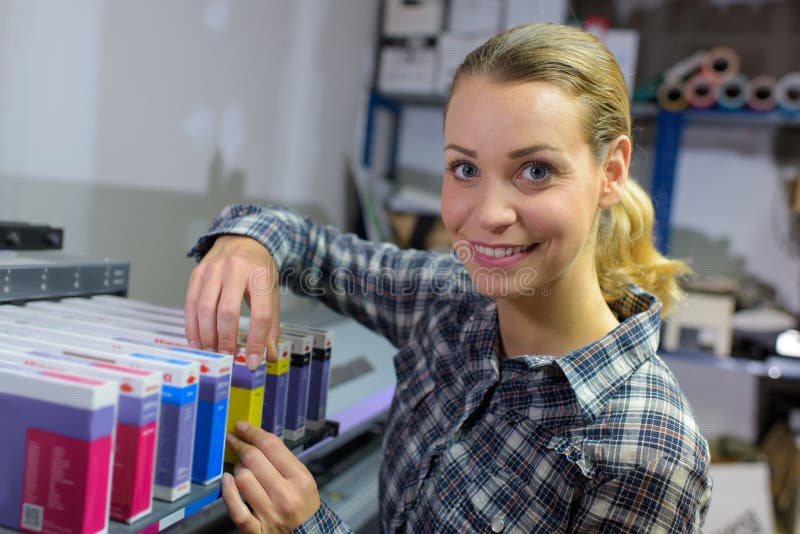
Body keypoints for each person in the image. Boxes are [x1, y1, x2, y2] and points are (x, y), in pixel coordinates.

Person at [185, 22, 712, 533]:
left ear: (612, 173)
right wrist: (247, 244)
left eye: (535, 171)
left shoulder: (649, 451)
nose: (489, 214)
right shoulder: (450, 297)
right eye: (465, 169)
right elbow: (312, 248)